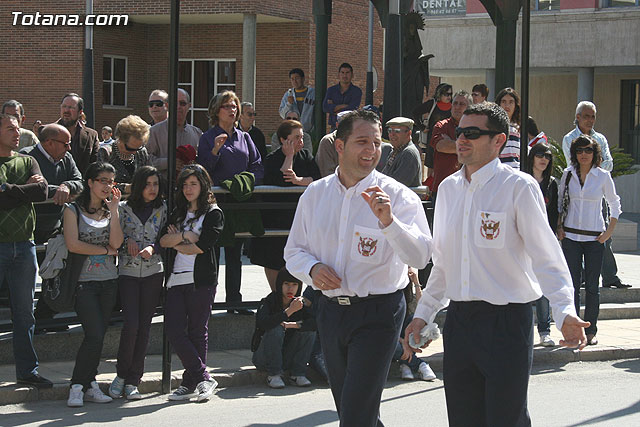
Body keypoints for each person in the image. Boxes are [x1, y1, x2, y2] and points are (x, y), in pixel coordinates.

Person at [404, 102, 589, 427]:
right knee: (463, 419)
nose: (461, 139)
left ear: (499, 141)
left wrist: (564, 311)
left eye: (473, 134)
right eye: (460, 131)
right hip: (460, 323)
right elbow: (444, 265)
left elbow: (547, 257)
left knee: (506, 419)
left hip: (506, 323)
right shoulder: (446, 190)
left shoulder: (518, 188)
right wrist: (422, 315)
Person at [284, 109, 432, 426]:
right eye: (362, 141)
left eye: (376, 143)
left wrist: (389, 222)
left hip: (379, 313)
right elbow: (294, 251)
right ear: (339, 145)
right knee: (353, 409)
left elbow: (420, 257)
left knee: (355, 412)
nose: (371, 151)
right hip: (331, 312)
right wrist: (311, 270)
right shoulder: (315, 194)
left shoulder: (400, 197)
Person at [159, 164, 223, 402]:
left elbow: (202, 246)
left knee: (197, 331)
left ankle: (189, 381)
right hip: (176, 278)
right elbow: (163, 240)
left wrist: (179, 239)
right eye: (185, 184)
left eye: (193, 184)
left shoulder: (214, 213)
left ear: (203, 185)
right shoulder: (177, 212)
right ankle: (203, 377)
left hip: (201, 280)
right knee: (174, 330)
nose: (188, 189)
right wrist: (185, 237)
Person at [197, 90, 263, 314]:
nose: (232, 110)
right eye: (227, 106)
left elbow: (257, 165)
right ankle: (207, 302)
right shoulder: (207, 137)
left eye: (234, 106)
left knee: (235, 254)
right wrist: (215, 149)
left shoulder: (244, 137)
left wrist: (246, 181)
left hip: (239, 202)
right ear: (216, 111)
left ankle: (235, 301)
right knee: (213, 253)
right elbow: (202, 169)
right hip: (217, 202)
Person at [65, 162, 124, 407]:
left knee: (98, 337)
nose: (107, 185)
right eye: (102, 180)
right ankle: (77, 386)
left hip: (109, 281)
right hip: (84, 283)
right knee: (95, 334)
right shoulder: (72, 210)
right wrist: (103, 250)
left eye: (111, 181)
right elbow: (73, 245)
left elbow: (117, 243)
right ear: (89, 182)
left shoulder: (110, 211)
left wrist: (115, 210)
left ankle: (89, 384)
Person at [0, 114, 51, 388]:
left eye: (18, 129)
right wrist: (25, 191)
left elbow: (42, 191)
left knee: (24, 313)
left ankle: (27, 371)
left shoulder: (28, 160)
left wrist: (9, 189)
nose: (16, 134)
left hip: (25, 245)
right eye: (9, 129)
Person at [108, 166, 166, 400]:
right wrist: (127, 241)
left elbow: (168, 236)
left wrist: (154, 247)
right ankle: (121, 375)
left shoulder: (164, 209)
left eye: (155, 184)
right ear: (139, 185)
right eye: (147, 184)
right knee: (130, 325)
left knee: (144, 326)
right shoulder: (123, 209)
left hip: (154, 272)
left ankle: (134, 379)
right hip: (128, 273)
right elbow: (113, 237)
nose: (152, 189)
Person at [558, 135, 621, 346]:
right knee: (572, 286)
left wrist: (609, 231)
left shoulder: (602, 176)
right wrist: (559, 228)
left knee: (593, 286)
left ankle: (591, 330)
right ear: (574, 154)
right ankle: (575, 330)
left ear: (595, 153)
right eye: (579, 150)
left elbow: (614, 204)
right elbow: (560, 203)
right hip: (571, 237)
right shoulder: (567, 175)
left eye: (588, 150)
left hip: (595, 238)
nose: (584, 154)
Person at [21, 124, 83, 330]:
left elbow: (78, 181)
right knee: (25, 279)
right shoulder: (26, 157)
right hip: (27, 227)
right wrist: (57, 189)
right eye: (65, 144)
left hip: (55, 226)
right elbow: (28, 189)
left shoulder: (66, 158)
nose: (69, 148)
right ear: (49, 143)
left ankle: (45, 318)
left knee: (55, 274)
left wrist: (67, 186)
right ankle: (23, 322)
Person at [561, 101, 627, 289]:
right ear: (578, 117)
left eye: (593, 116)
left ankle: (610, 276)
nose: (590, 120)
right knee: (576, 237)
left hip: (598, 193)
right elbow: (572, 165)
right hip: (577, 193)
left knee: (604, 235)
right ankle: (581, 275)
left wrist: (592, 167)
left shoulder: (601, 138)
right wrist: (595, 165)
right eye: (586, 116)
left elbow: (610, 164)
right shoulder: (569, 138)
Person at [250, 119, 320, 290]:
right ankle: (276, 297)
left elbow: (316, 178)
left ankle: (295, 300)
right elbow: (284, 180)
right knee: (274, 258)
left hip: (298, 216)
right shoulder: (273, 159)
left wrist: (298, 180)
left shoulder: (306, 156)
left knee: (300, 256)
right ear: (283, 139)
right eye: (296, 138)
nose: (300, 142)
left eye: (302, 137)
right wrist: (289, 156)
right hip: (276, 217)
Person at [252, 268, 316, 389]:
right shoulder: (269, 301)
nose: (290, 289)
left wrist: (292, 325)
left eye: (294, 285)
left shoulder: (300, 303)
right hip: (264, 358)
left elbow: (314, 324)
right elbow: (263, 323)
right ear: (280, 285)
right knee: (275, 328)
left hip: (287, 357)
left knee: (309, 331)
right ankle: (274, 375)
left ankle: (298, 374)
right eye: (286, 284)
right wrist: (288, 312)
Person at [526, 142, 559, 347]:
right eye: (539, 155)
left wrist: (553, 236)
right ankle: (525, 330)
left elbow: (554, 212)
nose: (543, 159)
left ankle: (545, 330)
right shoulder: (523, 180)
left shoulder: (552, 183)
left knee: (544, 287)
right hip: (524, 239)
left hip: (544, 240)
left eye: (547, 156)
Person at [146, 89, 202, 178]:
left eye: (183, 103)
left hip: (188, 188)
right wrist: (168, 162)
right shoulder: (154, 132)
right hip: (163, 187)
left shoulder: (197, 133)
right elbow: (145, 160)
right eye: (175, 103)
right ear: (167, 106)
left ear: (189, 106)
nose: (178, 106)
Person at [429, 90, 471, 200]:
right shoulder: (441, 126)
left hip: (467, 190)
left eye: (462, 104)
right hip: (442, 189)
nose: (457, 107)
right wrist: (467, 147)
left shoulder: (474, 128)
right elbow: (441, 146)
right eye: (455, 103)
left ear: (469, 108)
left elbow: (478, 149)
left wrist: (451, 143)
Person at [97, 115, 151, 196]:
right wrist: (126, 188)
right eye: (130, 148)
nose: (134, 152)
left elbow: (150, 176)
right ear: (120, 139)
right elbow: (101, 182)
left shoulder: (142, 152)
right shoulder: (106, 152)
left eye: (138, 148)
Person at [412, 83, 453, 174]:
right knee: (432, 168)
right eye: (446, 94)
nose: (449, 97)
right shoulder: (432, 104)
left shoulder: (454, 106)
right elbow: (415, 112)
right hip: (433, 141)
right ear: (439, 94)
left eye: (450, 94)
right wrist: (422, 127)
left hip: (449, 140)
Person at [57, 93, 100, 174]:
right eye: (64, 106)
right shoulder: (48, 132)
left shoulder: (91, 135)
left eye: (71, 107)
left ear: (80, 112)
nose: (66, 110)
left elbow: (95, 165)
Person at [377, 117, 422, 187]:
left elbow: (397, 185)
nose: (392, 134)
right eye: (390, 130)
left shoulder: (409, 153)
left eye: (397, 131)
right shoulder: (395, 151)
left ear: (408, 133)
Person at [322, 63, 363, 131]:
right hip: (334, 126)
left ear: (352, 75)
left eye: (347, 73)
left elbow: (352, 109)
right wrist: (343, 106)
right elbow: (325, 107)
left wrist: (334, 108)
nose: (345, 75)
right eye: (342, 72)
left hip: (349, 127)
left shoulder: (357, 91)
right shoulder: (331, 90)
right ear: (338, 75)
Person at [315, 110, 352, 178]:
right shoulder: (328, 141)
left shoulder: (357, 143)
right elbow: (327, 173)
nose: (349, 128)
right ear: (337, 125)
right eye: (346, 125)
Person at [279, 68, 316, 133]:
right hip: (292, 131)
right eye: (292, 79)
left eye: (297, 78)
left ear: (303, 78)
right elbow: (282, 114)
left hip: (309, 131)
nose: (295, 81)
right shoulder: (288, 94)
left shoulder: (312, 94)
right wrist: (289, 104)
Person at [495, 87, 522, 169]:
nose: (507, 105)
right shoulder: (493, 126)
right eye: (503, 101)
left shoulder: (518, 127)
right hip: (499, 171)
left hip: (516, 171)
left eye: (511, 102)